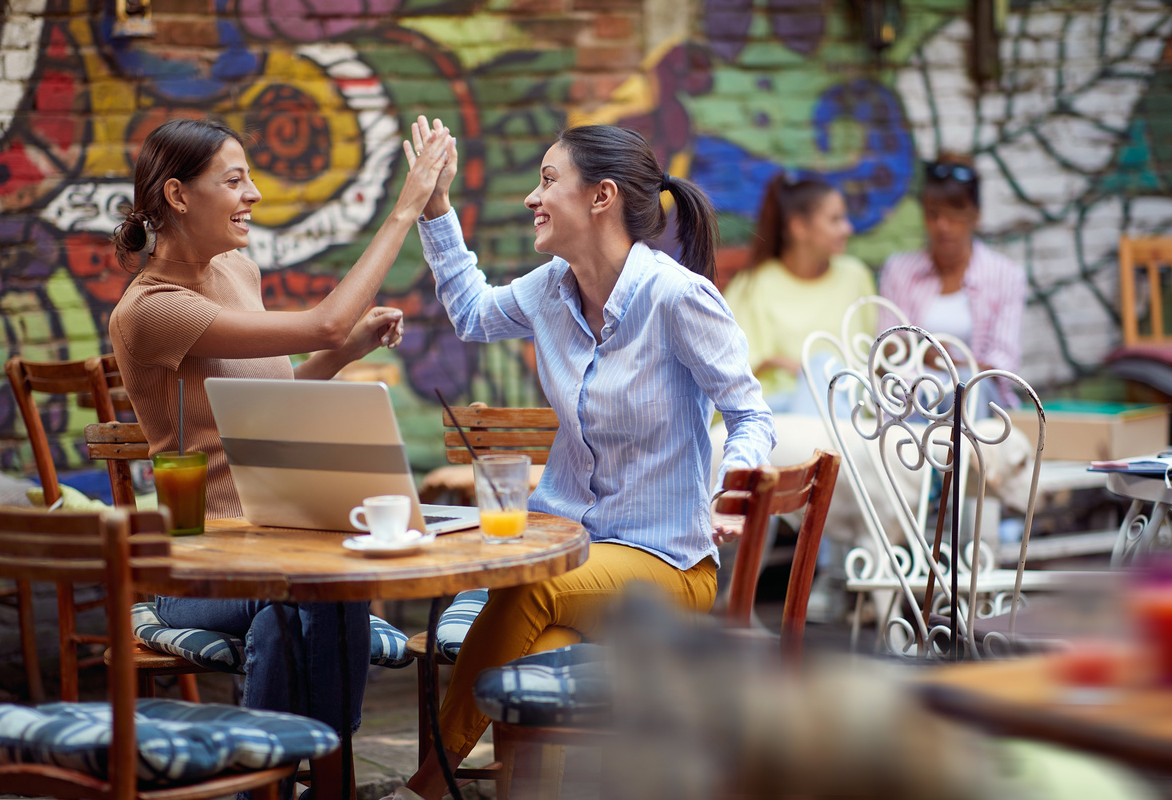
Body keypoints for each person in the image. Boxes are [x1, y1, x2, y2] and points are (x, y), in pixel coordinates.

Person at [390, 119, 775, 800]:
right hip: (576, 564)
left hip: (667, 570)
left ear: (600, 197)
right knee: (528, 664)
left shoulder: (675, 298)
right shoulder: (551, 289)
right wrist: (437, 207)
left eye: (547, 181)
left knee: (529, 587)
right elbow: (474, 314)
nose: (532, 199)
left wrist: (733, 486)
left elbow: (749, 413)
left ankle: (426, 786)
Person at [109, 117, 452, 799]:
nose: (256, 194)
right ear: (177, 196)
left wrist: (348, 350)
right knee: (318, 593)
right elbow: (320, 319)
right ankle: (326, 771)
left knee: (293, 605)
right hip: (199, 568)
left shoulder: (239, 268)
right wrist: (408, 205)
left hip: (276, 549)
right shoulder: (152, 309)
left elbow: (275, 395)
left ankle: (265, 785)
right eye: (235, 180)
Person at [878, 155, 1026, 410]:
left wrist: (945, 363)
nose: (942, 226)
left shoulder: (1005, 275)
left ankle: (959, 448)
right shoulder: (899, 270)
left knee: (967, 388)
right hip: (913, 397)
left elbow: (1002, 365)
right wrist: (924, 357)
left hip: (978, 403)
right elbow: (885, 350)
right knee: (912, 391)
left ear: (975, 215)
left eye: (954, 214)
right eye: (933, 214)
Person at [724, 174, 875, 414]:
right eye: (835, 220)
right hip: (778, 412)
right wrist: (803, 371)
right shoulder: (753, 286)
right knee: (821, 368)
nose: (848, 229)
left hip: (849, 411)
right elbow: (730, 373)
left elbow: (872, 358)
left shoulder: (855, 277)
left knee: (825, 373)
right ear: (799, 227)